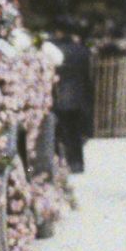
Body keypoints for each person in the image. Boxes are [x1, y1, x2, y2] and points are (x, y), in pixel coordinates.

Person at [51, 19, 94, 174]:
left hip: (58, 94)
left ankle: (60, 162)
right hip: (78, 96)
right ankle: (77, 162)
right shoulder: (81, 49)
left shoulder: (53, 49)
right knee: (74, 132)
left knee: (57, 131)